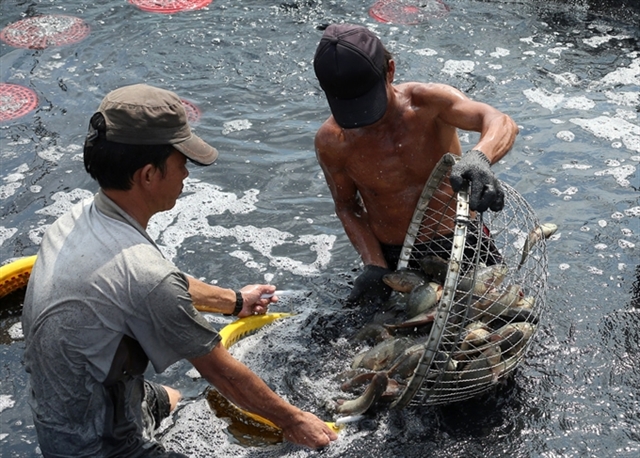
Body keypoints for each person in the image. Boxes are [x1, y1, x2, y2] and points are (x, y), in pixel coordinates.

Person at [21, 84, 337, 457]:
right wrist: (297, 422)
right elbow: (223, 374)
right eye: (180, 161)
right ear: (148, 175)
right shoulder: (145, 275)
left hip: (70, 413)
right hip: (99, 449)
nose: (187, 172)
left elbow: (155, 285)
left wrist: (236, 302)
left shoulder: (78, 219)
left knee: (175, 397)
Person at [313, 24, 519, 308]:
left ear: (390, 70)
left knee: (502, 324)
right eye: (350, 106)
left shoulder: (429, 103)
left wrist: (479, 157)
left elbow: (500, 121)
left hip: (462, 239)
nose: (364, 117)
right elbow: (347, 206)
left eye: (367, 101)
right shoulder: (332, 141)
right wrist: (373, 265)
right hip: (394, 258)